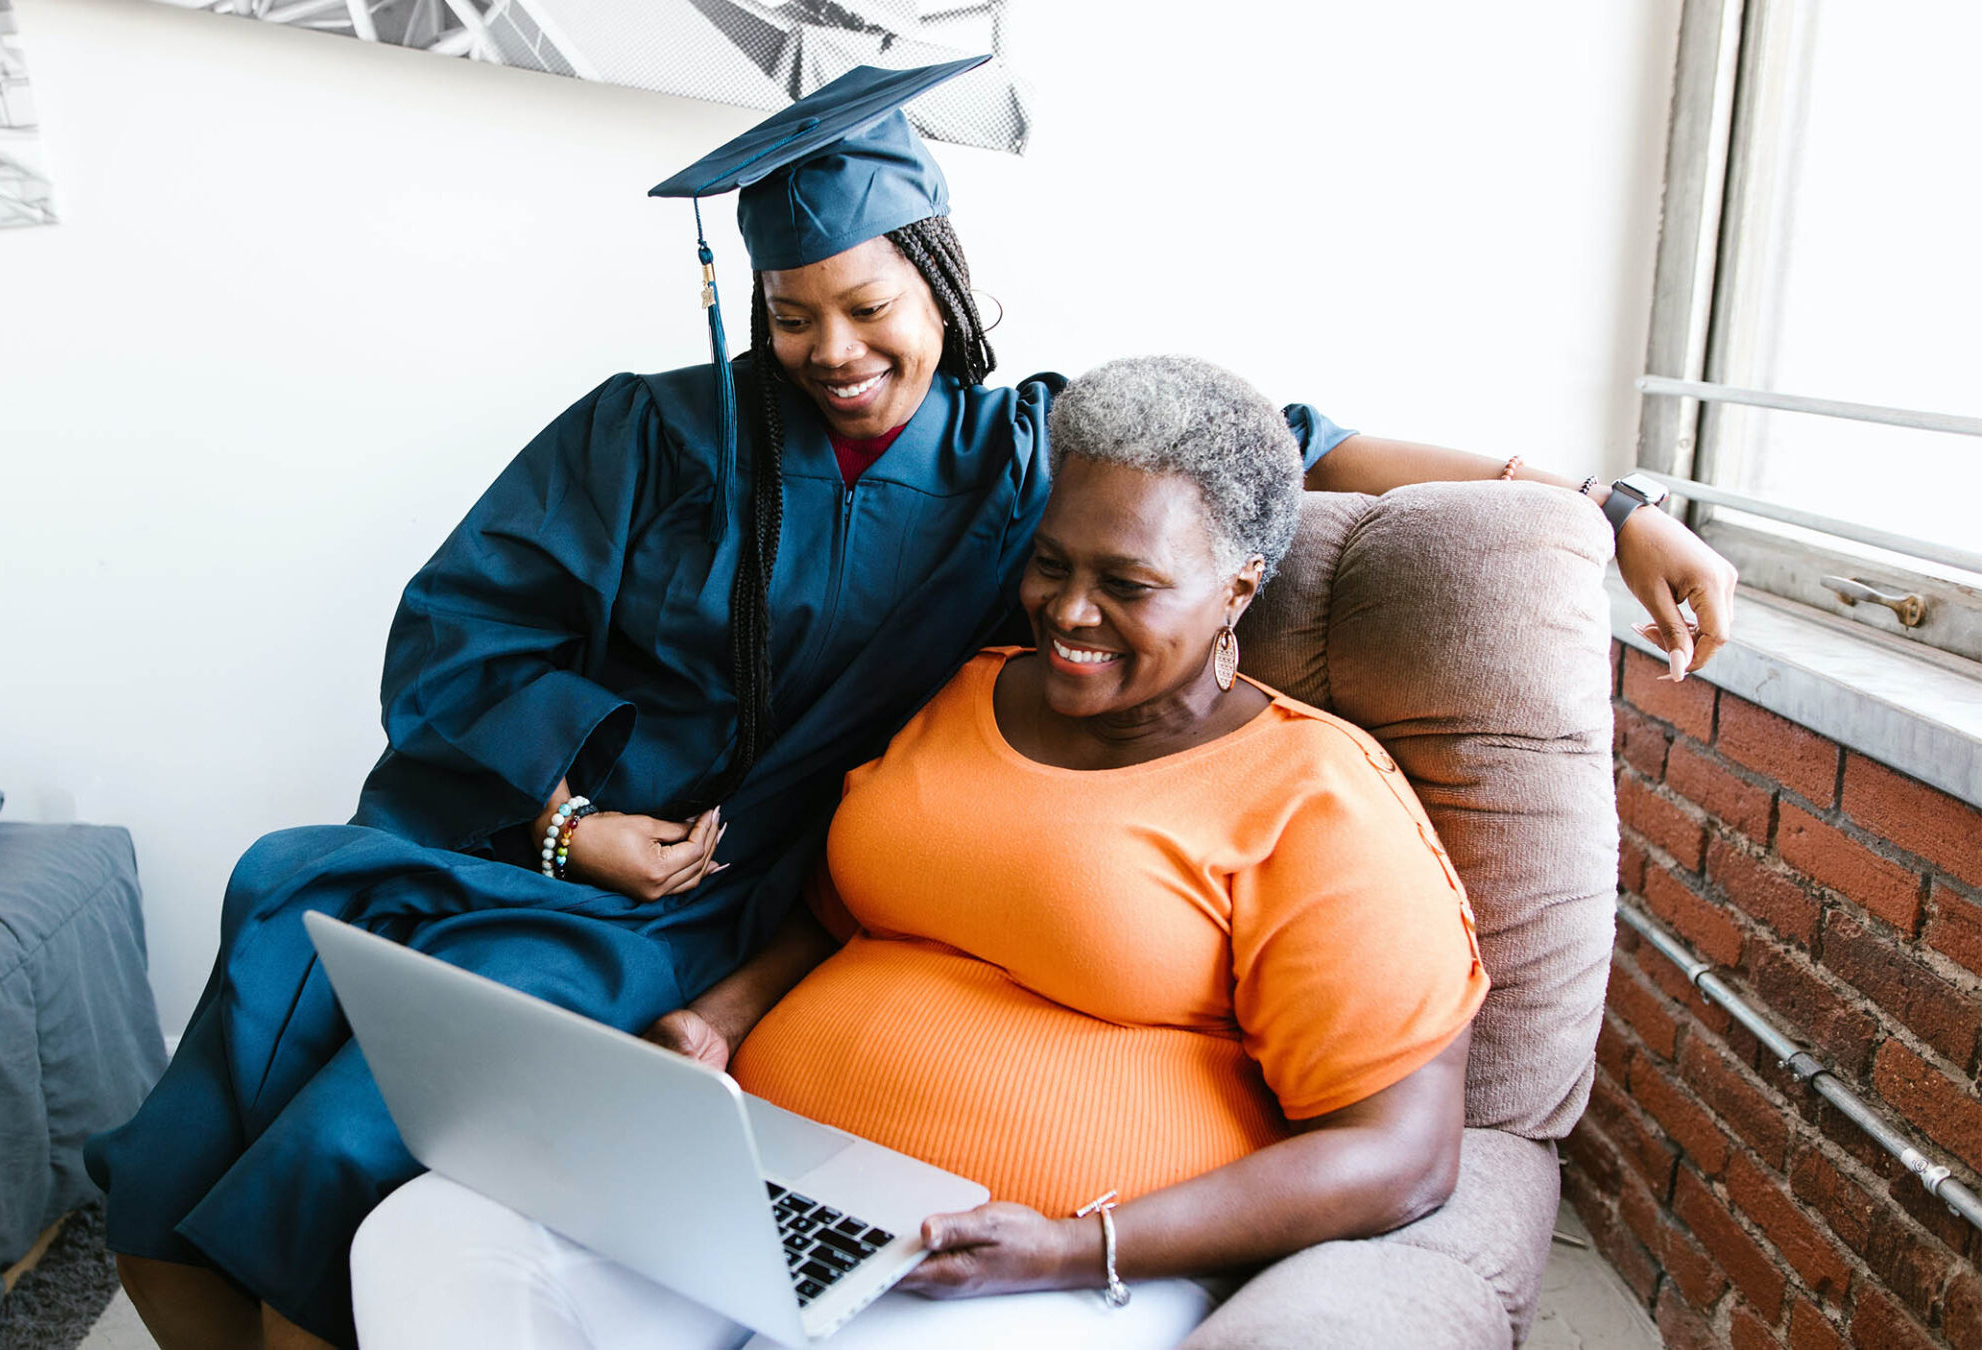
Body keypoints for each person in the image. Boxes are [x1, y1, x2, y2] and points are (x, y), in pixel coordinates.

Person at [87, 61, 1736, 1350]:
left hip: (724, 909)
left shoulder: (1039, 461)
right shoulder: (645, 435)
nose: (831, 348)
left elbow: (1293, 440)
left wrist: (1601, 502)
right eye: (793, 316)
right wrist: (576, 822)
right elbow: (458, 638)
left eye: (867, 307)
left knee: (344, 1152)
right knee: (204, 1116)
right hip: (547, 855)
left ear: (940, 278)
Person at [347, 355, 1490, 1347]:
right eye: (1052, 564)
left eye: (1128, 585)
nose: (1069, 614)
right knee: (436, 1236)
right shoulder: (956, 695)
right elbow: (835, 915)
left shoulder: (1315, 794)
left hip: (1049, 1262)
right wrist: (720, 1023)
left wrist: (1065, 1248)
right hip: (769, 1188)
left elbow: (1399, 1152)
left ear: (1240, 582)